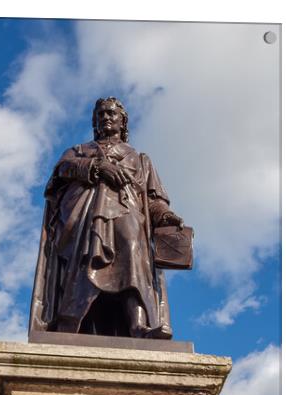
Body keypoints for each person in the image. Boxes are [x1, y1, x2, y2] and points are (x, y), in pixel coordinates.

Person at [29, 97, 185, 339]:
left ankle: (138, 325)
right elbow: (60, 172)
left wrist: (165, 216)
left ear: (123, 122)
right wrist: (97, 167)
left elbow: (153, 199)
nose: (106, 117)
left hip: (127, 210)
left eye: (111, 113)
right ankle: (69, 323)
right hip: (84, 216)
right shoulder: (79, 151)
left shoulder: (140, 159)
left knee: (132, 249)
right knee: (84, 260)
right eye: (100, 114)